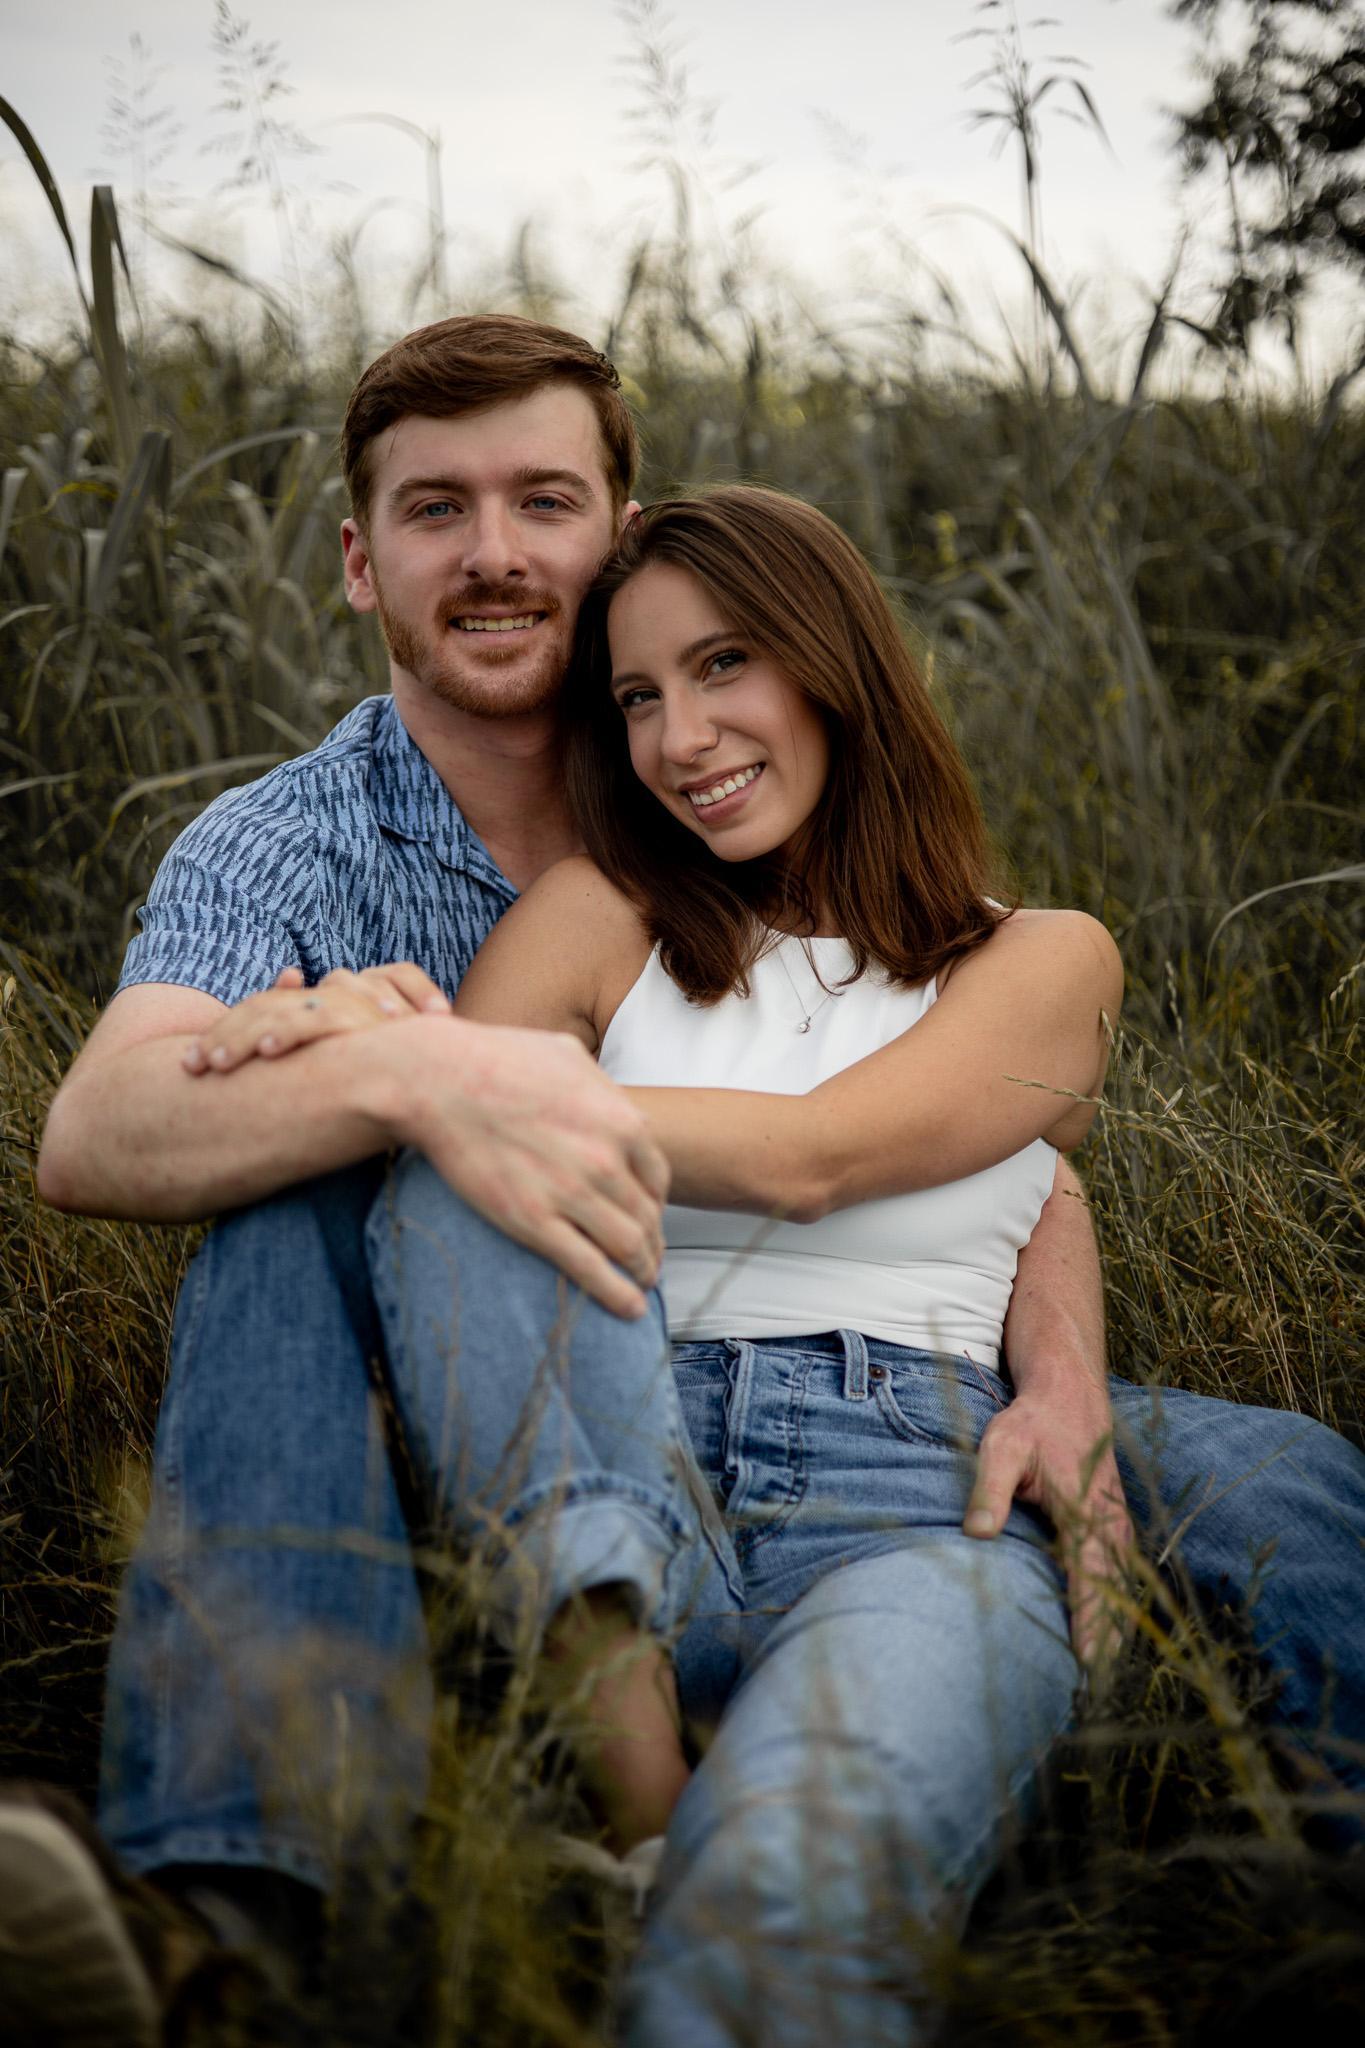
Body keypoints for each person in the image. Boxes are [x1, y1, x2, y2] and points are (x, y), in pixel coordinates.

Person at [6, 315, 1358, 2043]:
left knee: (1281, 1487)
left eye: (542, 501)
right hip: (556, 1409)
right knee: (316, 1199)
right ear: (359, 558)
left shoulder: (958, 925)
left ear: (617, 532)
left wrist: (1066, 1374)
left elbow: (960, 1155)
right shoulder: (325, 852)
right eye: (434, 510)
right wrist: (397, 1075)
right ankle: (250, 1896)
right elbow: (97, 1133)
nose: (494, 554)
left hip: (908, 1461)